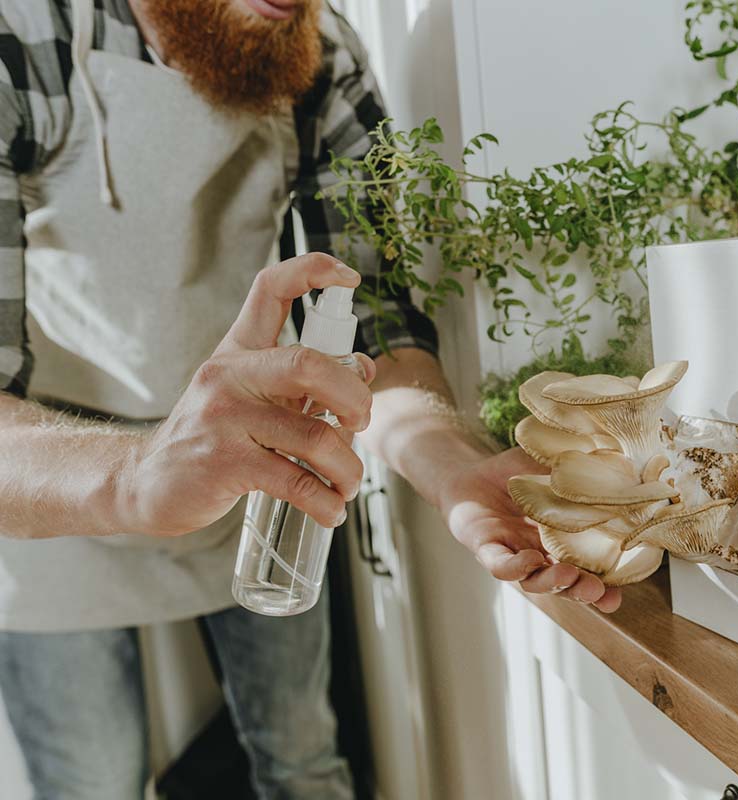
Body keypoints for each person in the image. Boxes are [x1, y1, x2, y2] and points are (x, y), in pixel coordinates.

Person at [0, 0, 621, 797]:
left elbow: (377, 330)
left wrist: (451, 468)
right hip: (49, 480)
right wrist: (136, 474)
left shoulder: (320, 54)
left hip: (254, 476)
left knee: (301, 759)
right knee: (90, 781)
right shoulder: (22, 39)